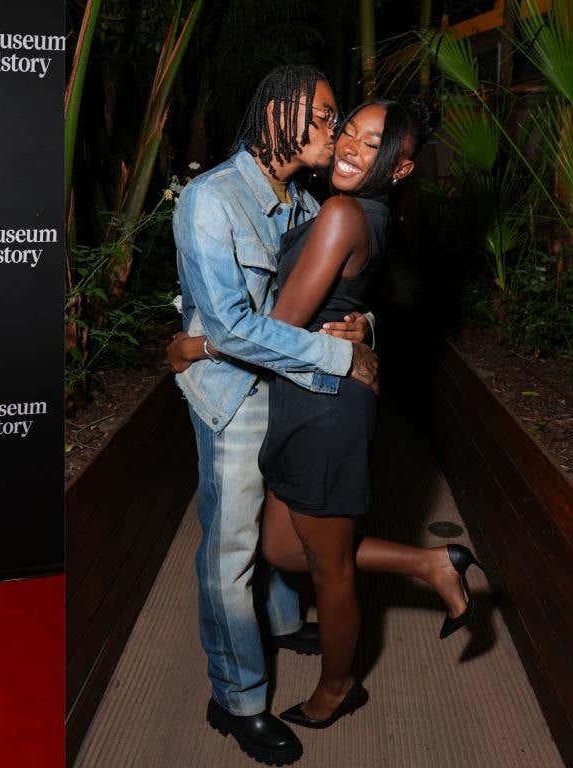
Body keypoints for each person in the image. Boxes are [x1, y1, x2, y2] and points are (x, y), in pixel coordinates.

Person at [170, 98, 484, 731]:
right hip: (303, 394)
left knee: (330, 570)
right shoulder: (341, 209)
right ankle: (431, 564)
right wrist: (361, 322)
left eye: (373, 145)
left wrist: (195, 345)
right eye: (348, 132)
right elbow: (348, 300)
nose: (348, 146)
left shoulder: (341, 212)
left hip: (324, 408)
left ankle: (340, 687)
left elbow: (276, 326)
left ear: (399, 168)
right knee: (284, 548)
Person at [167, 64, 378, 766]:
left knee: (279, 523)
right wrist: (338, 358)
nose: (335, 130)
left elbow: (338, 293)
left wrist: (362, 327)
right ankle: (240, 698)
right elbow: (228, 330)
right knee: (229, 553)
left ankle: (281, 623)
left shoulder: (306, 204)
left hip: (288, 395)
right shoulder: (210, 200)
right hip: (232, 396)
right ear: (280, 113)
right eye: (323, 116)